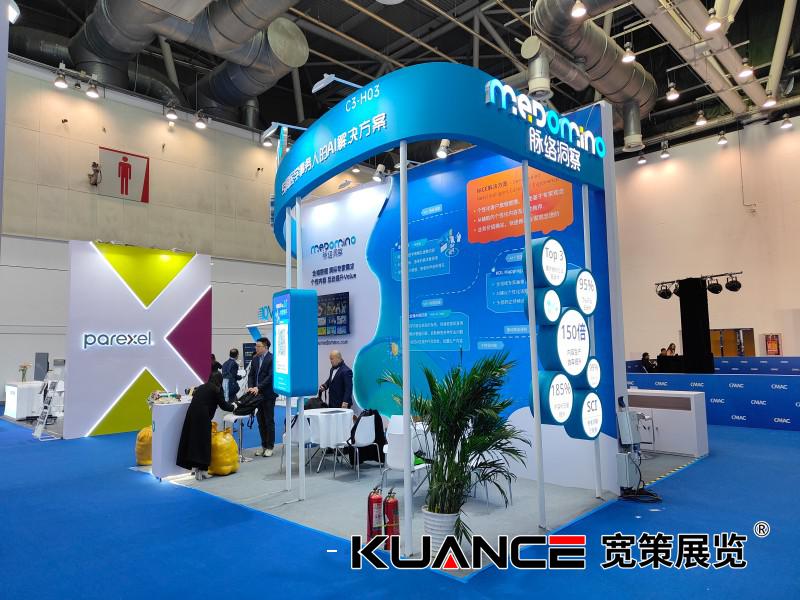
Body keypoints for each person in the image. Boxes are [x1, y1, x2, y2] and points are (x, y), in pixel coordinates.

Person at [176, 372, 236, 480]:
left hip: (191, 414)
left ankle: (195, 469)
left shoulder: (201, 387)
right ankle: (203, 471)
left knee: (193, 442)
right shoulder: (216, 390)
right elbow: (224, 406)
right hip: (203, 417)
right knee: (204, 443)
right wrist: (234, 406)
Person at [246, 337, 278, 457]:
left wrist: (258, 387)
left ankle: (270, 447)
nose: (256, 348)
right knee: (260, 421)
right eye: (256, 346)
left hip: (268, 394)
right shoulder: (255, 359)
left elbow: (270, 377)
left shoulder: (272, 358)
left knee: (269, 421)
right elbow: (251, 375)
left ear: (265, 347)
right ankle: (264, 446)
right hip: (257, 395)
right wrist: (251, 387)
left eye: (258, 346)